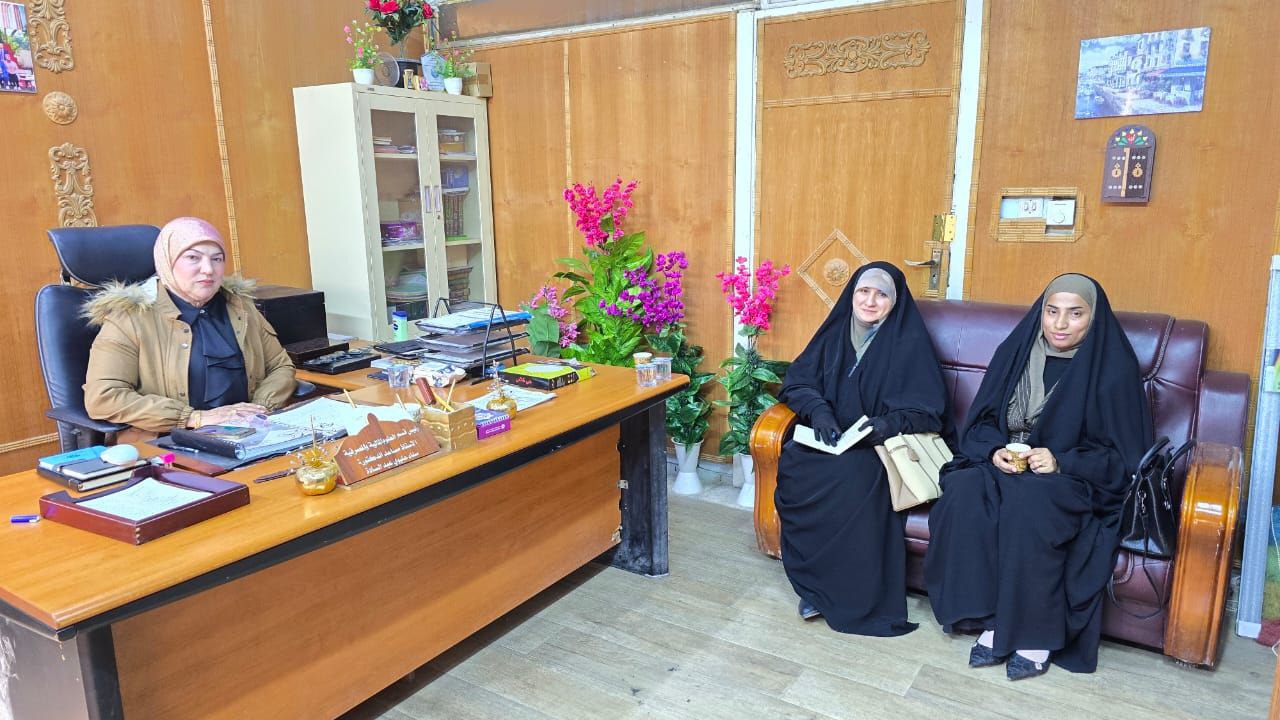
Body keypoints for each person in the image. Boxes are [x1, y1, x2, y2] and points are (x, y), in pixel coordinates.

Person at [924, 273, 1152, 680]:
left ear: (1093, 318)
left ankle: (1035, 633)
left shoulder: (1113, 368)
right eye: (1052, 311)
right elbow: (980, 423)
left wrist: (1062, 461)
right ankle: (990, 616)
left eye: (1075, 314)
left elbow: (1124, 458)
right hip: (1007, 466)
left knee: (1031, 502)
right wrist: (994, 451)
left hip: (1072, 478)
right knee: (964, 488)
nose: (1060, 324)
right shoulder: (1015, 352)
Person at [775, 262, 949, 636]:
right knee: (795, 464)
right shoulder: (834, 332)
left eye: (881, 294)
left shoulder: (909, 342)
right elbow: (798, 382)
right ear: (851, 295)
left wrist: (886, 424)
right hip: (828, 437)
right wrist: (818, 410)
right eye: (863, 292)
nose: (870, 301)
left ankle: (843, 593)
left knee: (852, 477)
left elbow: (929, 410)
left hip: (875, 448)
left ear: (895, 301)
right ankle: (812, 585)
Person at [84, 217, 296, 435]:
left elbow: (280, 366)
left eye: (217, 259)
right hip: (167, 440)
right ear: (167, 262)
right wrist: (193, 418)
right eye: (193, 258)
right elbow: (103, 397)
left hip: (248, 433)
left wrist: (257, 410)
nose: (208, 269)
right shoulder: (129, 318)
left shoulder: (240, 306)